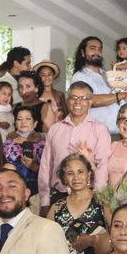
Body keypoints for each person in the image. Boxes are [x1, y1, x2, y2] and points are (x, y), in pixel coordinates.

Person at [38, 81, 111, 217]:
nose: (78, 102)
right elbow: (45, 166)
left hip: (88, 197)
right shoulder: (55, 129)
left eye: (83, 98)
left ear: (90, 102)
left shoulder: (99, 129)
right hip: (58, 195)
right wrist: (45, 201)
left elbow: (103, 165)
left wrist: (98, 199)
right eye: (73, 97)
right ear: (67, 101)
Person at [70, 36, 127, 134]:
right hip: (96, 135)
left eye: (100, 49)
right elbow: (88, 101)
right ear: (83, 53)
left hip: (120, 133)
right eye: (92, 48)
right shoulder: (80, 76)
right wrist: (121, 96)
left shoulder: (108, 74)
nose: (97, 52)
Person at [3, 106, 45, 197]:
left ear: (35, 123)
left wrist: (35, 167)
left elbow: (50, 172)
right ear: (15, 123)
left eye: (28, 119)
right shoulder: (8, 145)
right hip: (13, 191)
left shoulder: (44, 145)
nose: (23, 122)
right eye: (19, 119)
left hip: (37, 191)